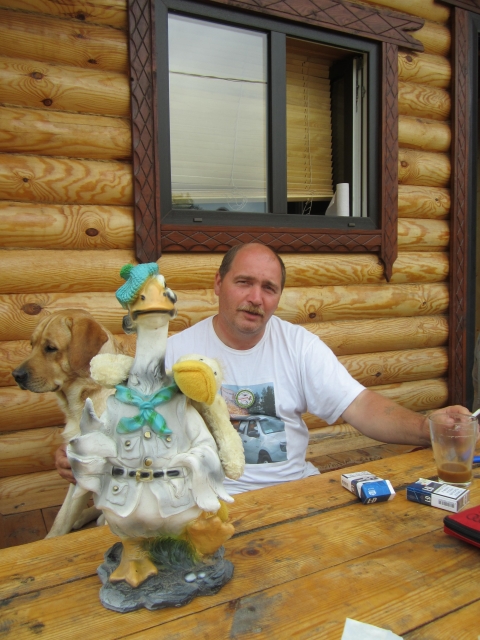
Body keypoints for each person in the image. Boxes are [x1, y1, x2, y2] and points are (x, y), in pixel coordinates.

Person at [56, 242, 469, 491]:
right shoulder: (174, 352)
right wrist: (83, 453)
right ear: (218, 284)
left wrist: (429, 428)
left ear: (278, 298)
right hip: (205, 502)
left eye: (269, 288)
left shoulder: (299, 345)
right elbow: (128, 423)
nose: (256, 298)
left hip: (294, 495)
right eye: (244, 282)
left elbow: (360, 406)